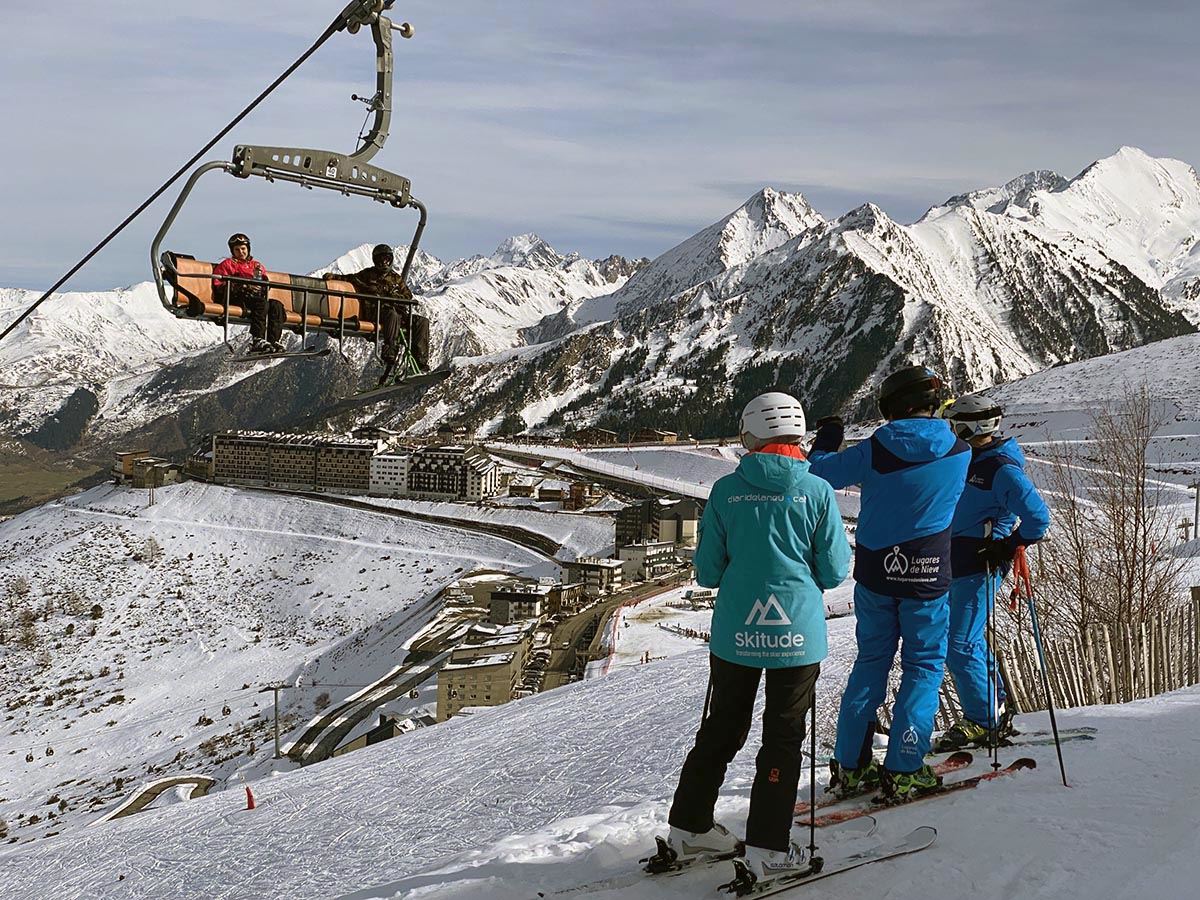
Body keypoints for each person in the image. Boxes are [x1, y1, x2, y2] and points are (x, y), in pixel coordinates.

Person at [660, 392, 851, 889]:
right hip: (797, 635)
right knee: (783, 739)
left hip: (736, 633)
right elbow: (833, 572)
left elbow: (707, 573)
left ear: (752, 434)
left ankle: (690, 827)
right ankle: (768, 846)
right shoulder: (817, 492)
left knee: (721, 728)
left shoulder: (725, 491)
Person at [807, 365, 970, 802]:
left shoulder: (876, 448)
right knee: (924, 668)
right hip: (929, 577)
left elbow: (819, 473)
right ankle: (904, 766)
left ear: (889, 406)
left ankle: (851, 765)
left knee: (871, 663)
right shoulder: (960, 451)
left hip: (877, 573)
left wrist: (828, 438)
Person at [934, 395, 1050, 751]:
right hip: (957, 562)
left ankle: (983, 721)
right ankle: (994, 706)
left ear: (966, 428)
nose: (947, 430)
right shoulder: (970, 459)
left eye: (951, 424)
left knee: (959, 643)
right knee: (966, 639)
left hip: (980, 565)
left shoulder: (999, 468)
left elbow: (1038, 517)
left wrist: (1008, 544)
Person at [328, 243, 430, 385]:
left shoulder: (396, 278)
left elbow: (408, 295)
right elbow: (350, 279)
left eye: (387, 259)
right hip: (376, 312)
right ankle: (389, 351)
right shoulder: (368, 275)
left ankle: (420, 361)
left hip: (397, 312)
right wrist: (333, 276)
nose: (384, 263)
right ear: (376, 261)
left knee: (421, 321)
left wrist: (395, 296)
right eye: (381, 260)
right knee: (392, 315)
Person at [211, 233, 285, 354]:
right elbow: (218, 285)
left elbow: (266, 284)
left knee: (276, 305)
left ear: (248, 249)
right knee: (261, 304)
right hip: (236, 297)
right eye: (237, 249)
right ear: (232, 251)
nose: (241, 252)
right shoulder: (228, 264)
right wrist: (242, 286)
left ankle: (273, 340)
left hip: (255, 297)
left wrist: (262, 283)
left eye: (243, 249)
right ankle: (257, 339)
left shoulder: (256, 265)